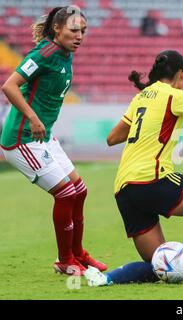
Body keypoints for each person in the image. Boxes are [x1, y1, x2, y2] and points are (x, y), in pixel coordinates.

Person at [84, 50, 183, 286]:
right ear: (182, 73)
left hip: (124, 188)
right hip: (152, 178)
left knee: (158, 265)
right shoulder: (175, 96)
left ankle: (104, 279)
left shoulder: (141, 97)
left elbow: (112, 138)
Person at [0, 6, 106, 276]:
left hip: (44, 137)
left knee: (79, 191)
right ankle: (65, 259)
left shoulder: (65, 53)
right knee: (66, 193)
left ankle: (79, 254)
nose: (79, 35)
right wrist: (33, 117)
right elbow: (9, 85)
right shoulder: (43, 54)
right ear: (57, 29)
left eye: (82, 30)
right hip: (22, 139)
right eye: (73, 30)